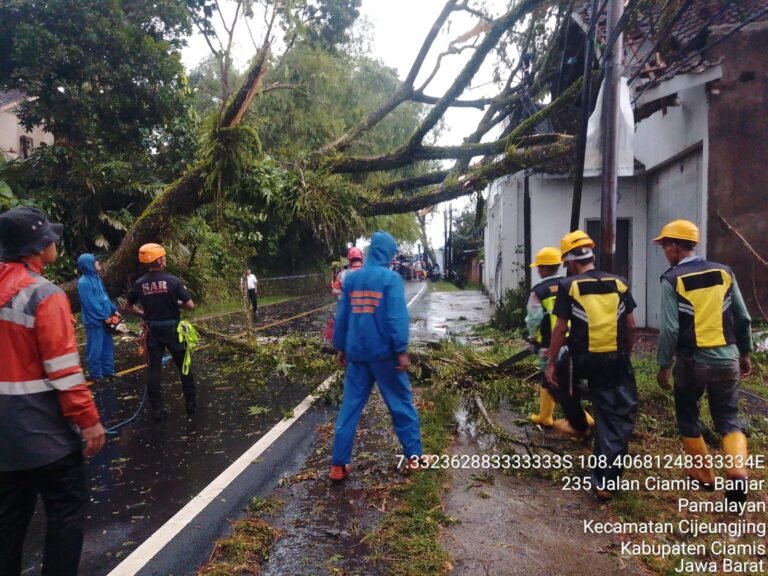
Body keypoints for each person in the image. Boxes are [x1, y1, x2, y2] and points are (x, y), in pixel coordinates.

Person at [0, 206, 105, 576]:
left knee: (9, 522)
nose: (56, 242)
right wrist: (89, 422)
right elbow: (64, 373)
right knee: (64, 516)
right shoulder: (43, 295)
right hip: (45, 436)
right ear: (38, 246)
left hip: (4, 441)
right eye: (51, 237)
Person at [653, 219, 753, 503]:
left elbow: (671, 328)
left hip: (691, 362)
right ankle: (737, 473)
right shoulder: (725, 272)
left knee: (687, 414)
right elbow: (743, 317)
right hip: (727, 359)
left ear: (674, 247)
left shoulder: (672, 279)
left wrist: (663, 365)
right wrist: (744, 354)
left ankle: (704, 474)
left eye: (664, 246)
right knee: (729, 420)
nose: (664, 251)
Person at [545, 230, 638, 501]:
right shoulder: (620, 283)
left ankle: (579, 424)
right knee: (615, 418)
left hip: (580, 360)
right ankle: (607, 481)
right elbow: (631, 327)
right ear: (591, 256)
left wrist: (550, 362)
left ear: (571, 263)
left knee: (554, 380)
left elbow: (560, 329)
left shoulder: (569, 286)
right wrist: (625, 356)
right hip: (614, 359)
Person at [330, 231, 423, 480]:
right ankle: (414, 458)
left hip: (358, 357)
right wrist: (401, 350)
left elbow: (343, 317)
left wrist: (340, 346)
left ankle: (338, 466)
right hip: (385, 357)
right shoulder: (390, 280)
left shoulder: (352, 280)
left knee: (349, 409)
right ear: (388, 254)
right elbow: (396, 318)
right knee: (401, 405)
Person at [123, 243, 196, 421]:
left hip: (152, 330)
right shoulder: (173, 281)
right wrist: (175, 302)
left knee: (154, 370)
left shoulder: (139, 284)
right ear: (159, 259)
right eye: (163, 256)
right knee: (184, 366)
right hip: (173, 329)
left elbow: (127, 307)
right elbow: (190, 305)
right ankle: (191, 404)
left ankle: (157, 409)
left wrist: (144, 314)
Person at [525, 247, 565, 427]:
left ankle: (581, 418)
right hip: (573, 341)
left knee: (550, 377)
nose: (538, 270)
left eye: (539, 267)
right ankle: (545, 415)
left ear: (545, 268)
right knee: (567, 376)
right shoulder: (570, 284)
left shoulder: (539, 291)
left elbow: (533, 318)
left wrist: (533, 337)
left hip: (549, 342)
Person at [76, 253, 119, 383]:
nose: (98, 262)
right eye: (95, 261)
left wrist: (114, 310)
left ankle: (108, 371)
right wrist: (103, 316)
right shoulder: (83, 283)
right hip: (95, 322)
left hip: (105, 318)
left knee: (108, 347)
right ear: (89, 264)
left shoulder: (97, 278)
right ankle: (96, 374)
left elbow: (104, 296)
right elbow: (90, 304)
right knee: (95, 348)